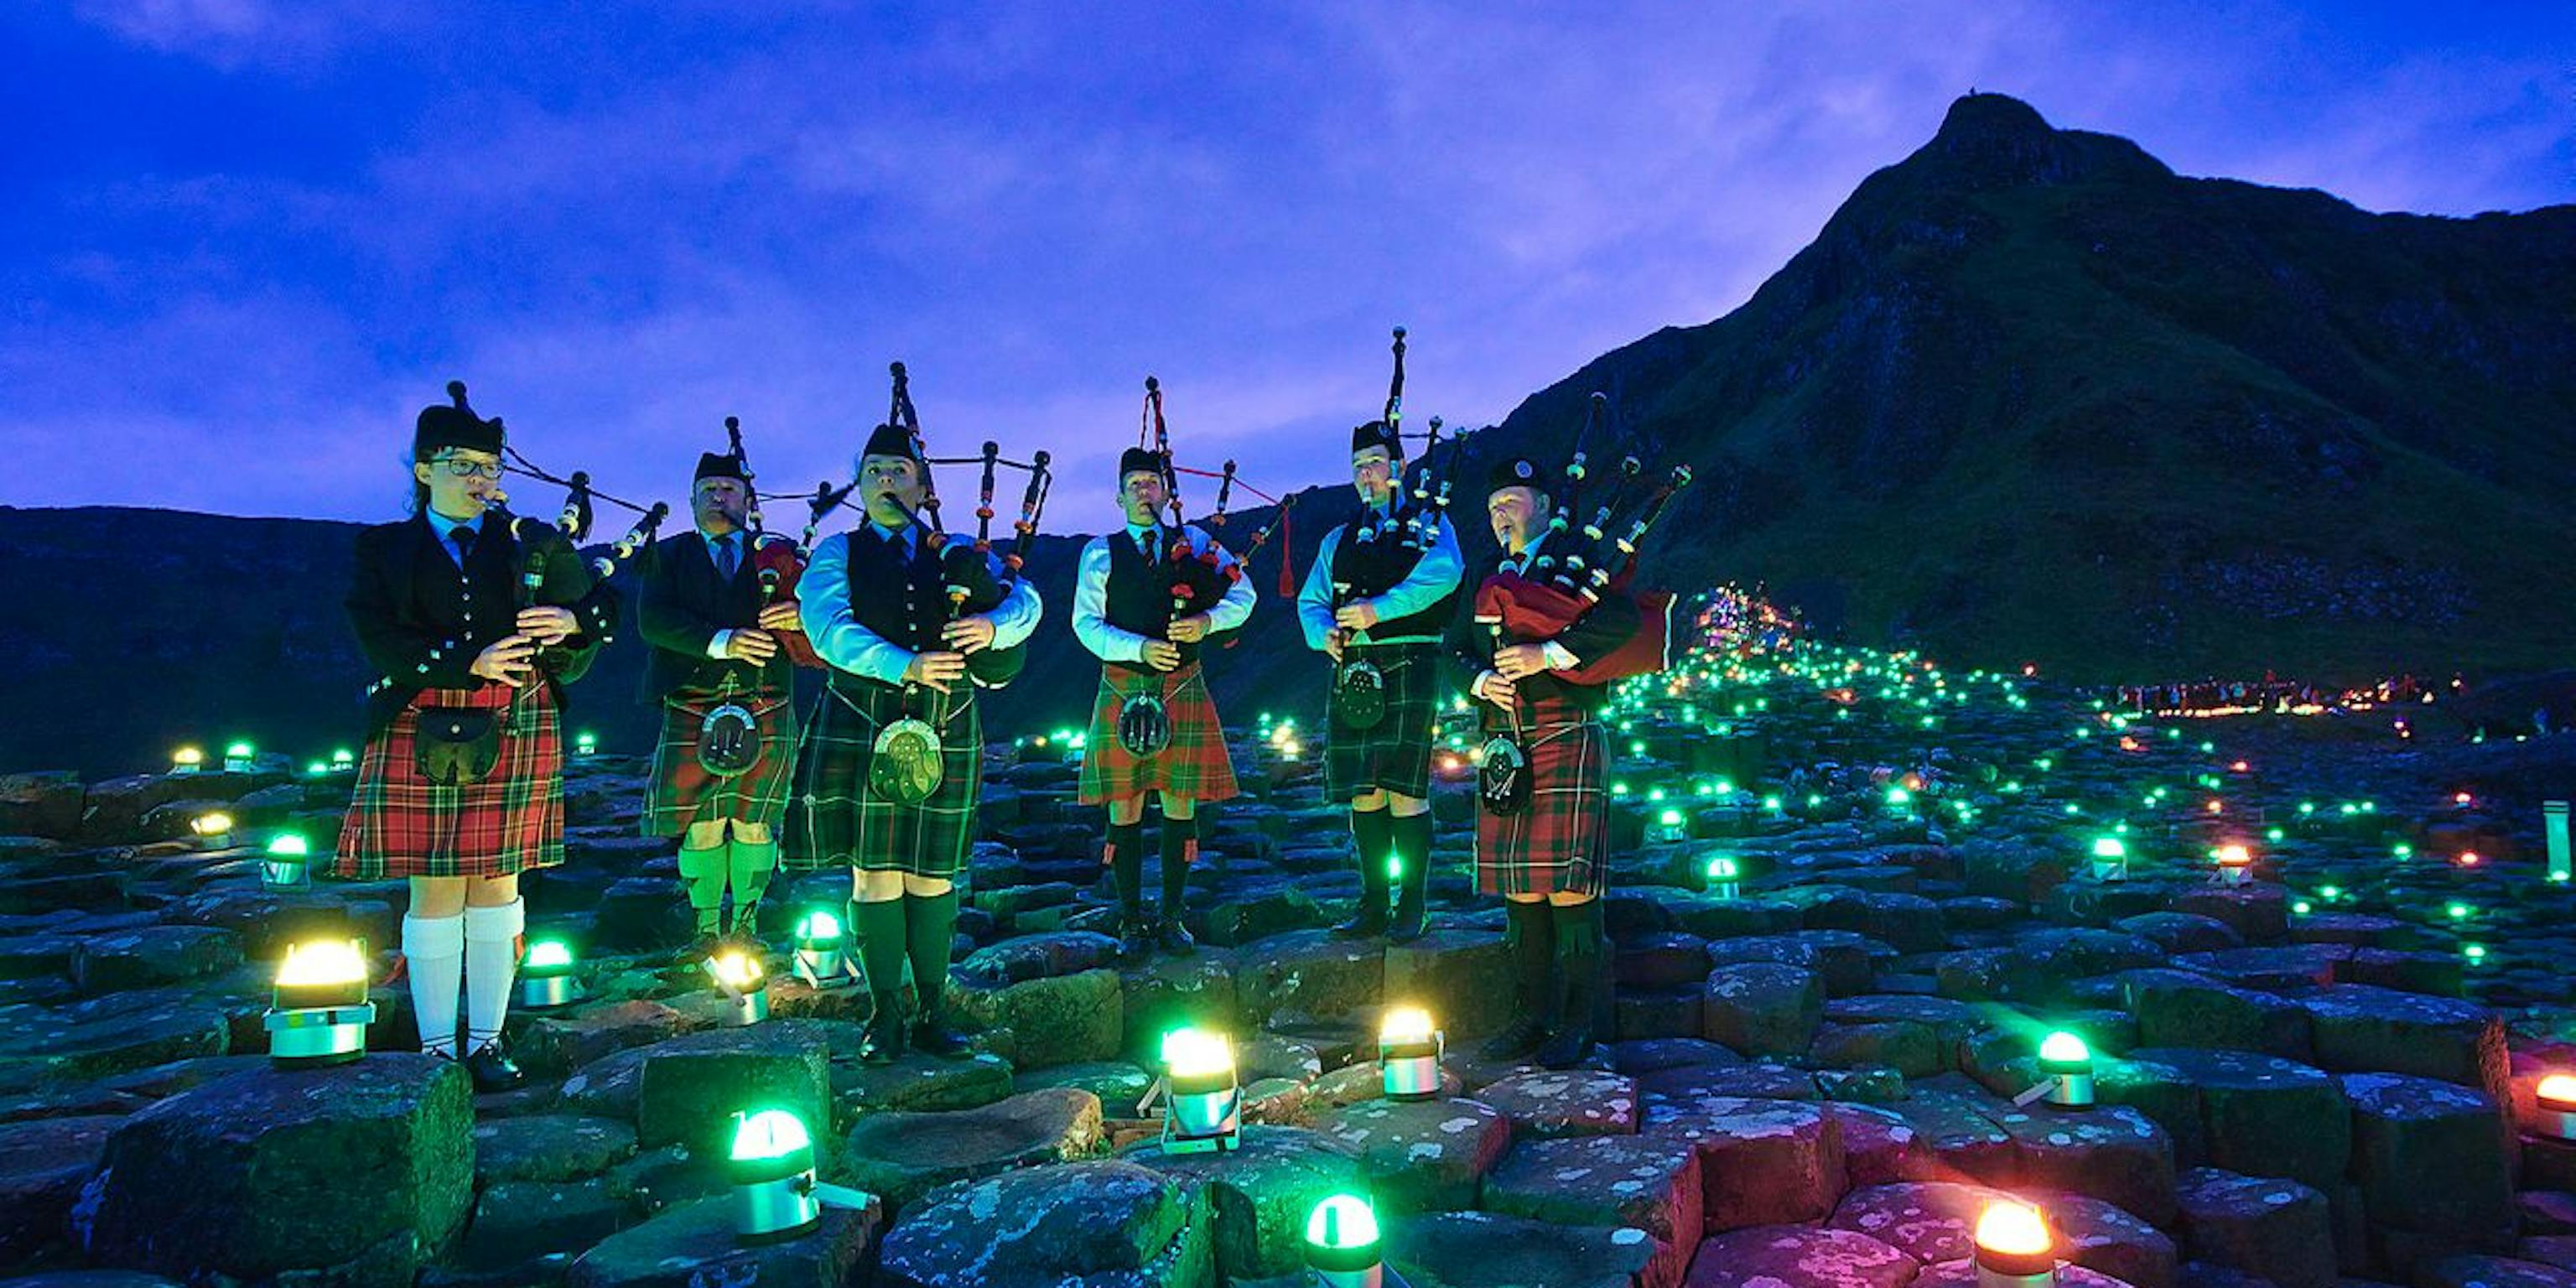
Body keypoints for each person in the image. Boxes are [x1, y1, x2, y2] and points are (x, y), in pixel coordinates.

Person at [334, 381, 619, 1092]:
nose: (480, 481)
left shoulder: (532, 544)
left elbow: (598, 606)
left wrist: (573, 623)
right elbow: (375, 632)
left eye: (489, 469)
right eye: (462, 465)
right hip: (421, 713)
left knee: (497, 885)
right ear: (423, 469)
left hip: (516, 716)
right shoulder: (384, 548)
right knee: (434, 888)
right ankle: (436, 1047)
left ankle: (487, 1042)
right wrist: (468, 662)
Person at [789, 422, 1041, 1062]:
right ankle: (884, 1013)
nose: (883, 482)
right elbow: (826, 630)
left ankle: (934, 1009)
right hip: (863, 710)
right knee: (873, 875)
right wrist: (903, 663)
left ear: (923, 485)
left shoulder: (955, 547)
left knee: (931, 877)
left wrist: (993, 626)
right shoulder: (835, 554)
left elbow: (1028, 603)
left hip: (945, 715)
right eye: (872, 471)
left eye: (897, 471)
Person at [1446, 454, 1639, 1069]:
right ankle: (1530, 1017)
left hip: (1566, 730)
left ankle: (1578, 1023)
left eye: (1513, 500)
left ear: (1546, 508)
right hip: (1506, 742)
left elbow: (1623, 622)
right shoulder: (1486, 574)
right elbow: (1453, 648)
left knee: (1568, 889)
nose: (1501, 512)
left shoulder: (1578, 565)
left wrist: (1548, 654)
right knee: (1520, 890)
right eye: (1494, 505)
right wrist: (1481, 683)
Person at [1072, 448, 1257, 959]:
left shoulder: (1196, 542)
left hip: (1182, 683)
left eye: (1151, 482)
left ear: (1166, 492)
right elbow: (1085, 625)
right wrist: (1138, 647)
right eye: (1133, 484)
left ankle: (1172, 918)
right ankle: (1132, 921)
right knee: (1125, 804)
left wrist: (1205, 623)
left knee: (1181, 800)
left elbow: (1245, 596)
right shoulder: (1099, 552)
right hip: (1123, 684)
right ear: (1118, 496)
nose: (1143, 491)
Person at [1296, 419, 1462, 942]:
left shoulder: (1432, 523)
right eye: (1358, 466)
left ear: (1399, 466)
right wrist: (1324, 633)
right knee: (1363, 792)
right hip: (1353, 667)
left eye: (1375, 462)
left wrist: (1378, 611)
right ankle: (1372, 903)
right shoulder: (1337, 538)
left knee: (1403, 790)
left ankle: (1412, 904)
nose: (1367, 474)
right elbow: (1311, 600)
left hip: (1410, 659)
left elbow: (1443, 575)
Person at [637, 449, 808, 958]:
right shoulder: (666, 555)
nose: (719, 497)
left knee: (754, 819)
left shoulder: (778, 554)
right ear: (690, 501)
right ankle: (706, 930)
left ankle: (747, 926)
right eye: (708, 490)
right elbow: (654, 622)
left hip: (766, 695)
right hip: (692, 695)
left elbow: (819, 616)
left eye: (729, 489)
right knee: (703, 820)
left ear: (748, 499)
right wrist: (722, 640)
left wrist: (799, 618)